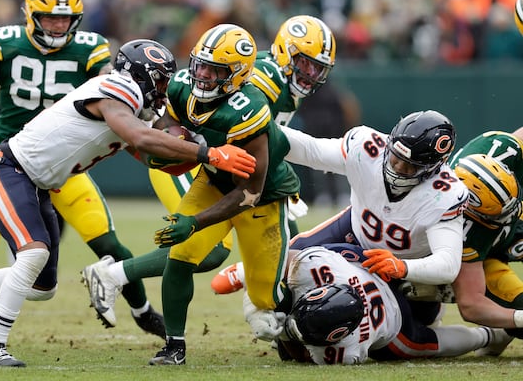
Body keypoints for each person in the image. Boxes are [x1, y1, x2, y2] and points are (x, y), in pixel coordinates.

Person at [0, 37, 255, 367]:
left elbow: (150, 154)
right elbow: (141, 138)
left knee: (42, 288)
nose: (162, 90)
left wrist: (199, 145)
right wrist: (209, 153)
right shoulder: (117, 89)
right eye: (158, 80)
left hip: (38, 183)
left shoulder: (135, 109)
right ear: (137, 75)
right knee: (34, 253)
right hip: (7, 167)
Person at [0, 0, 163, 344]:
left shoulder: (90, 48)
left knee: (110, 246)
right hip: (9, 162)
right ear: (31, 16)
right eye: (49, 18)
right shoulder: (5, 42)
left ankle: (144, 313)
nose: (56, 26)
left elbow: (112, 96)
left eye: (64, 19)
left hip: (64, 168)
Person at [82, 15, 336, 319]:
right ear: (285, 52)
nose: (310, 73)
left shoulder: (282, 84)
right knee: (207, 247)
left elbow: (265, 144)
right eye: (305, 62)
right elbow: (242, 130)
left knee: (282, 239)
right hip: (192, 160)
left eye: (317, 67)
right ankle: (113, 275)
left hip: (220, 162)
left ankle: (268, 303)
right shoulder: (263, 80)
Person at [212, 110, 469, 293]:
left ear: (431, 169)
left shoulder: (443, 195)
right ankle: (253, 277)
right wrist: (261, 131)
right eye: (394, 158)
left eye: (408, 167)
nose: (396, 167)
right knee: (288, 257)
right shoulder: (368, 149)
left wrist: (403, 267)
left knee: (404, 337)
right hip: (355, 228)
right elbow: (311, 150)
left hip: (399, 267)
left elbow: (447, 264)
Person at [274, 243, 511, 364]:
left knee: (422, 344)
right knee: (329, 250)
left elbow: (300, 355)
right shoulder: (320, 265)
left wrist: (281, 331)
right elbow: (284, 260)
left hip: (396, 325)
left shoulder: (345, 351)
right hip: (378, 274)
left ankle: (488, 336)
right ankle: (429, 296)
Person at [401, 132, 523, 355]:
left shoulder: (503, 150)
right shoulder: (458, 228)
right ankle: (498, 333)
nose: (510, 214)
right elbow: (471, 303)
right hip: (484, 257)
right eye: (501, 214)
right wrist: (519, 317)